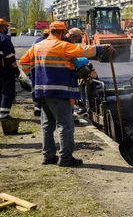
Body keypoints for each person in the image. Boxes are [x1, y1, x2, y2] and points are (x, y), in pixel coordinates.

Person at [19, 21, 115, 166]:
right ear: (63, 33)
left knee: (47, 125)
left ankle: (48, 156)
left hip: (42, 91)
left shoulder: (37, 46)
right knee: (65, 125)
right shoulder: (62, 46)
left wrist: (35, 76)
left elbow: (23, 62)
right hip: (59, 90)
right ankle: (65, 158)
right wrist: (102, 48)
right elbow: (83, 50)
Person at [0, 18, 19, 120]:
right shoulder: (4, 39)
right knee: (7, 90)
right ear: (2, 27)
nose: (7, 29)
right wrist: (16, 69)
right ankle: (3, 114)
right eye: (6, 27)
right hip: (4, 68)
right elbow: (10, 55)